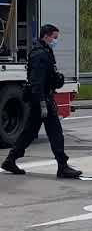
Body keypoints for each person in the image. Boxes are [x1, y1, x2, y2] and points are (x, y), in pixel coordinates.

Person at [1, 24, 82, 178]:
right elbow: (36, 82)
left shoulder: (44, 51)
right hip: (42, 99)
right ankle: (62, 166)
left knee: (29, 132)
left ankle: (10, 160)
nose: (55, 41)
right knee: (56, 133)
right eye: (54, 38)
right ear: (46, 36)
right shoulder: (40, 54)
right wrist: (43, 104)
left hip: (40, 99)